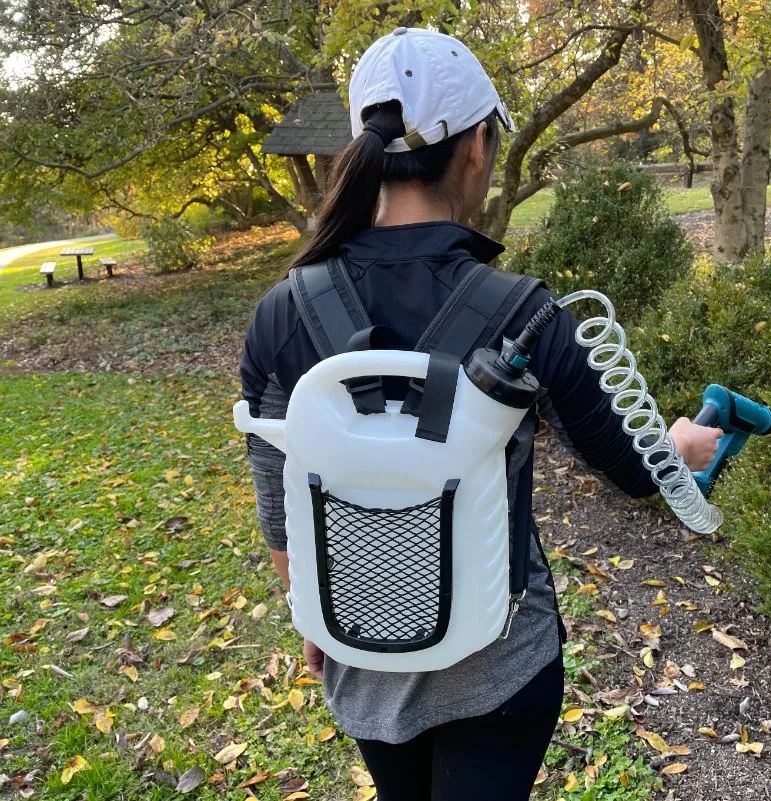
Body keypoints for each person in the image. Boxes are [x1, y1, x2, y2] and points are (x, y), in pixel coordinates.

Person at [239, 26, 724, 801]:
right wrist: (679, 444)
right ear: (475, 147)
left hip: (363, 656)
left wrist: (314, 612)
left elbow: (277, 497)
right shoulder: (524, 313)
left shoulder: (283, 310)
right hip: (501, 664)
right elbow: (633, 473)